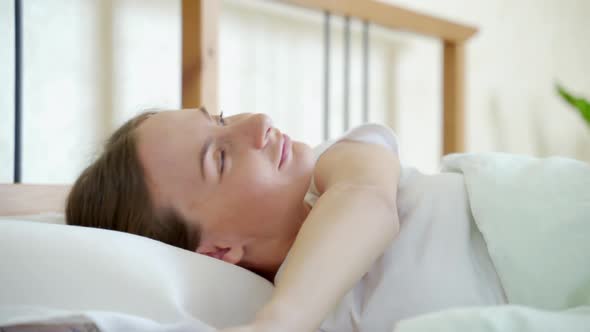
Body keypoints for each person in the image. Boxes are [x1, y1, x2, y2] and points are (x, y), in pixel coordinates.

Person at [66, 108, 588, 332]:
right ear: (219, 253)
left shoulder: (346, 164)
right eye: (219, 157)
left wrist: (282, 321)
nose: (259, 123)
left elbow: (367, 205)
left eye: (222, 116)